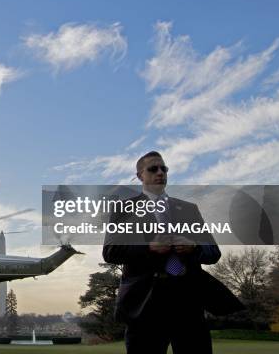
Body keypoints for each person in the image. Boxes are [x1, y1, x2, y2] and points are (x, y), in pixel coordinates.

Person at [103, 151, 243, 354]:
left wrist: (194, 247)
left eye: (164, 168)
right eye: (153, 169)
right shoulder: (123, 209)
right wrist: (148, 247)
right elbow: (110, 252)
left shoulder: (189, 209)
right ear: (140, 175)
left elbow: (213, 252)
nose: (160, 172)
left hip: (188, 304)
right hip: (145, 305)